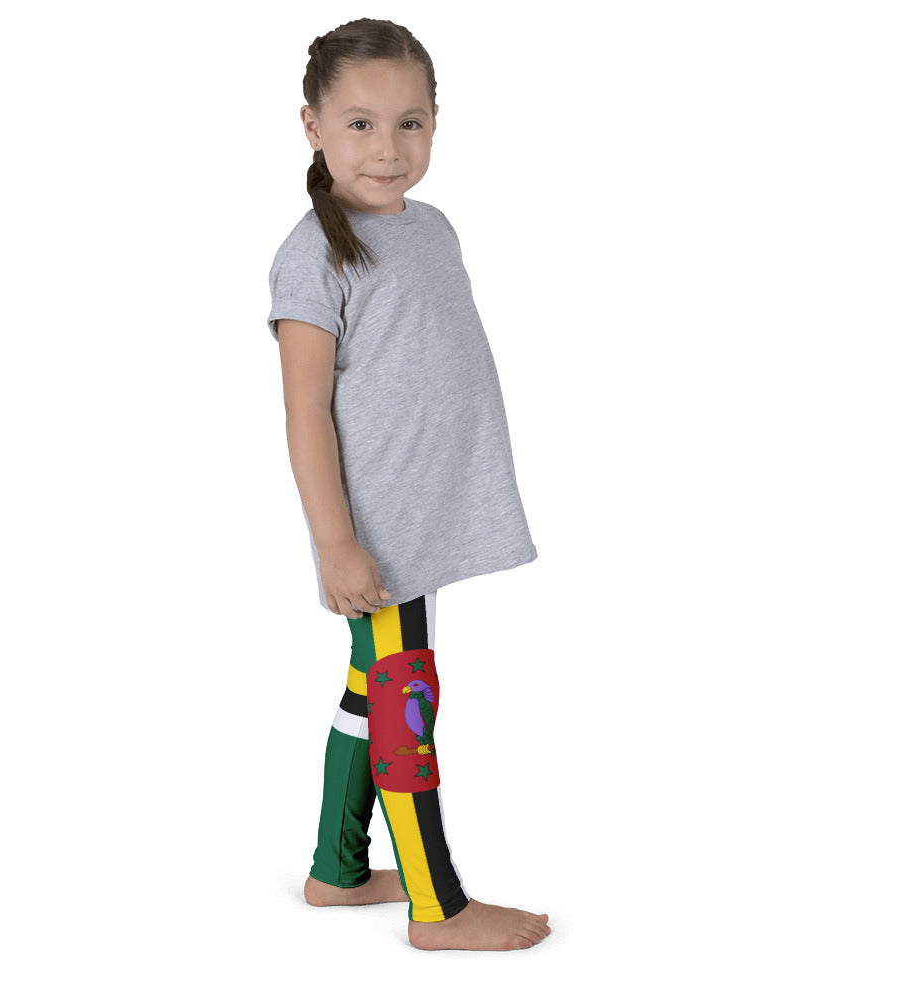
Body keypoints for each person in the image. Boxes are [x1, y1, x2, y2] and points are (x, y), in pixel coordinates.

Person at [265, 18, 552, 952]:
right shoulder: (313, 256)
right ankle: (439, 906)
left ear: (435, 121)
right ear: (313, 126)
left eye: (409, 123)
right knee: (404, 697)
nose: (387, 148)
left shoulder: (430, 228)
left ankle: (337, 869)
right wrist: (337, 543)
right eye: (359, 124)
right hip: (378, 531)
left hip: (426, 514)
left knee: (372, 688)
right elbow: (306, 412)